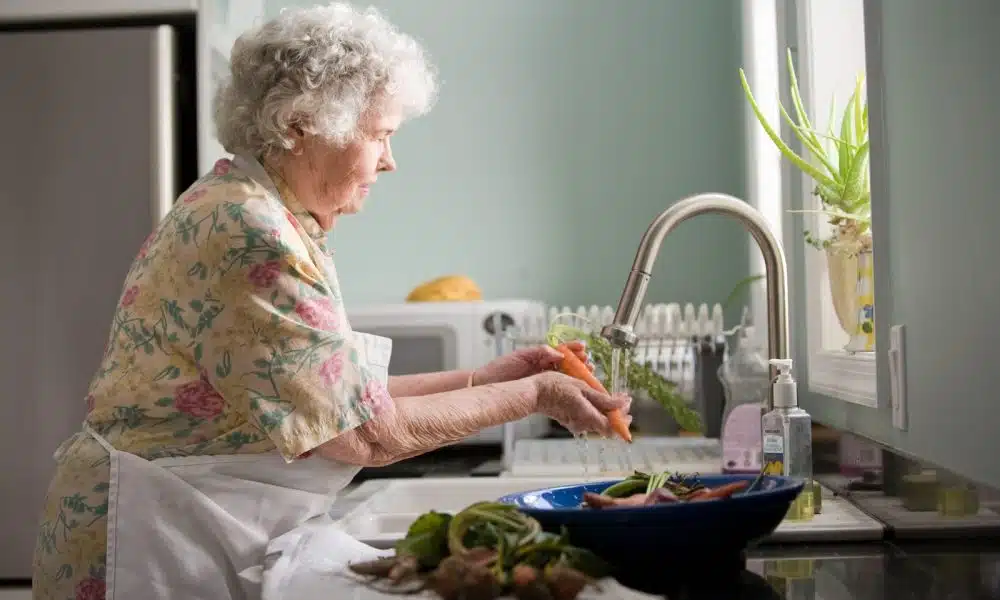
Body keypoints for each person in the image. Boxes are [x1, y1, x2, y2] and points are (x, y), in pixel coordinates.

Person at [31, 4, 631, 599]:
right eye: (380, 135)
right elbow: (364, 434)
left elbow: (333, 400)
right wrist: (534, 393)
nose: (389, 161)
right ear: (300, 126)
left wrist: (484, 378)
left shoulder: (258, 211)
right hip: (150, 541)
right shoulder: (250, 232)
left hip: (188, 521)